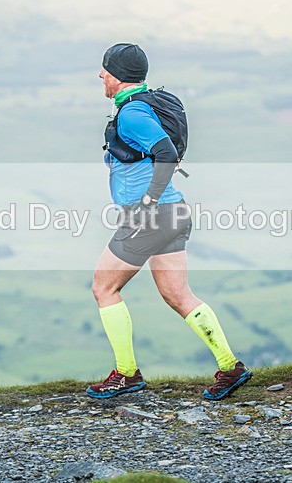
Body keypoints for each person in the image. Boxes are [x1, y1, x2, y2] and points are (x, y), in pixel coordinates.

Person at [87, 43, 252, 401]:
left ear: (118, 76)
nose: (100, 75)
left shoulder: (132, 114)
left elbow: (166, 152)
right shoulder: (146, 104)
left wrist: (146, 202)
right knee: (178, 295)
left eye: (105, 69)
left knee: (104, 288)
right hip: (174, 212)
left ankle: (126, 375)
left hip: (150, 217)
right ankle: (230, 366)